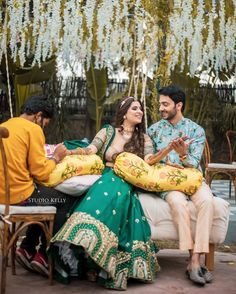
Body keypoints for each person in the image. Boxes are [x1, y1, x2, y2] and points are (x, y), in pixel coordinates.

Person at [48, 97, 164, 290]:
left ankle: (97, 262)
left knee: (118, 197)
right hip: (106, 175)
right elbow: (92, 149)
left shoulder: (144, 139)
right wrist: (72, 153)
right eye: (135, 108)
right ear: (124, 113)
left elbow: (150, 161)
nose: (140, 112)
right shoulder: (108, 132)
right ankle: (85, 255)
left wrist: (168, 150)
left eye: (141, 109)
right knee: (102, 193)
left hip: (127, 179)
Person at [0, 95, 77, 277]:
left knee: (45, 196)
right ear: (38, 116)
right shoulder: (33, 129)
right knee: (62, 199)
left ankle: (26, 248)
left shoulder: (6, 125)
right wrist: (57, 157)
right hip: (20, 197)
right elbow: (40, 172)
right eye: (45, 123)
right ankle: (43, 254)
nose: (43, 127)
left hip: (2, 196)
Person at [147, 85, 214, 286]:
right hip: (169, 181)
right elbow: (149, 161)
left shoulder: (196, 130)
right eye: (160, 104)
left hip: (192, 177)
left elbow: (194, 162)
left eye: (165, 104)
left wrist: (184, 155)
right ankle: (192, 260)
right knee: (178, 203)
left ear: (179, 105)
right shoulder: (154, 130)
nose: (161, 108)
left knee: (207, 202)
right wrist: (166, 161)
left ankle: (194, 261)